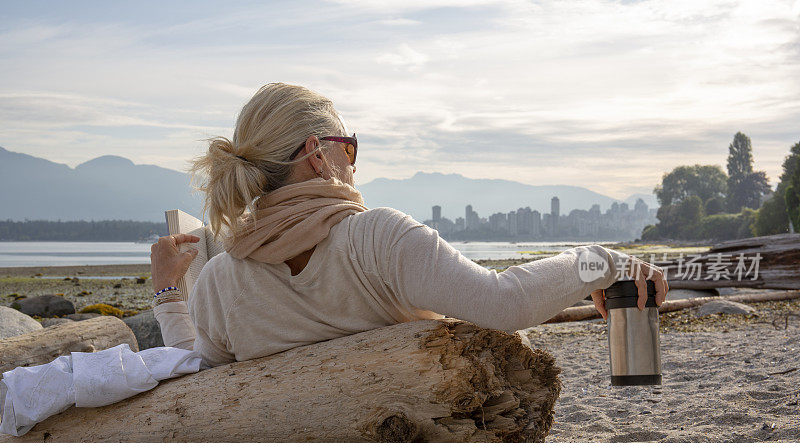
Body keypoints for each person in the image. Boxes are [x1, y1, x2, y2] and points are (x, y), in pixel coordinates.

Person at [150, 82, 668, 369]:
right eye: (349, 148)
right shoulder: (374, 238)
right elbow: (505, 304)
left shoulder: (221, 280)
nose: (354, 165)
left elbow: (193, 374)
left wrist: (170, 292)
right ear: (318, 154)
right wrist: (599, 260)